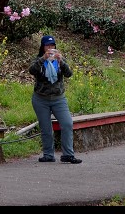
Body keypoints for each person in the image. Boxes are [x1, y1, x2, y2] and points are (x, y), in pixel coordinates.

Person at [29, 34, 82, 164]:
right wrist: (43, 59)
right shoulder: (38, 60)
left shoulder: (59, 60)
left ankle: (68, 155)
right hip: (41, 99)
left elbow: (69, 74)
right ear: (43, 47)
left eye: (52, 46)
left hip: (59, 98)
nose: (50, 48)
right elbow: (32, 70)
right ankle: (48, 154)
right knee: (46, 128)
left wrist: (61, 61)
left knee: (67, 123)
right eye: (48, 45)